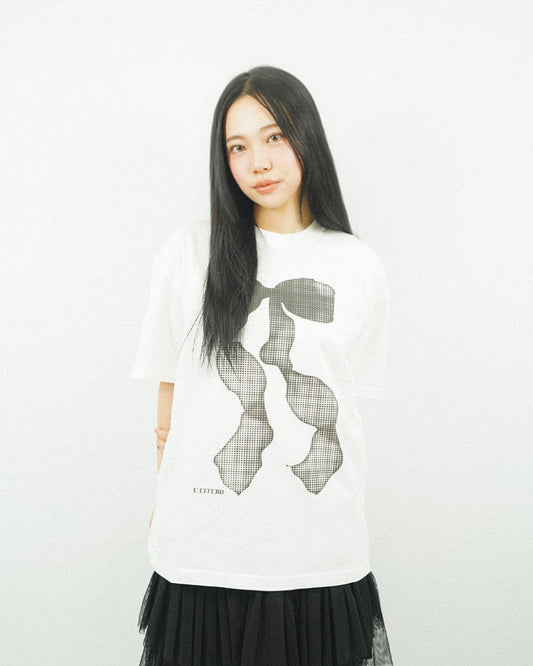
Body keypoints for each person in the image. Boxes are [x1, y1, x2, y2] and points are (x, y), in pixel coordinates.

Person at [131, 65, 394, 666]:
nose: (259, 162)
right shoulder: (189, 252)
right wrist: (166, 495)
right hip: (204, 546)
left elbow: (343, 405)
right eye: (238, 147)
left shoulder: (358, 265)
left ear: (306, 136)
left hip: (320, 547)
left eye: (274, 137)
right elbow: (170, 395)